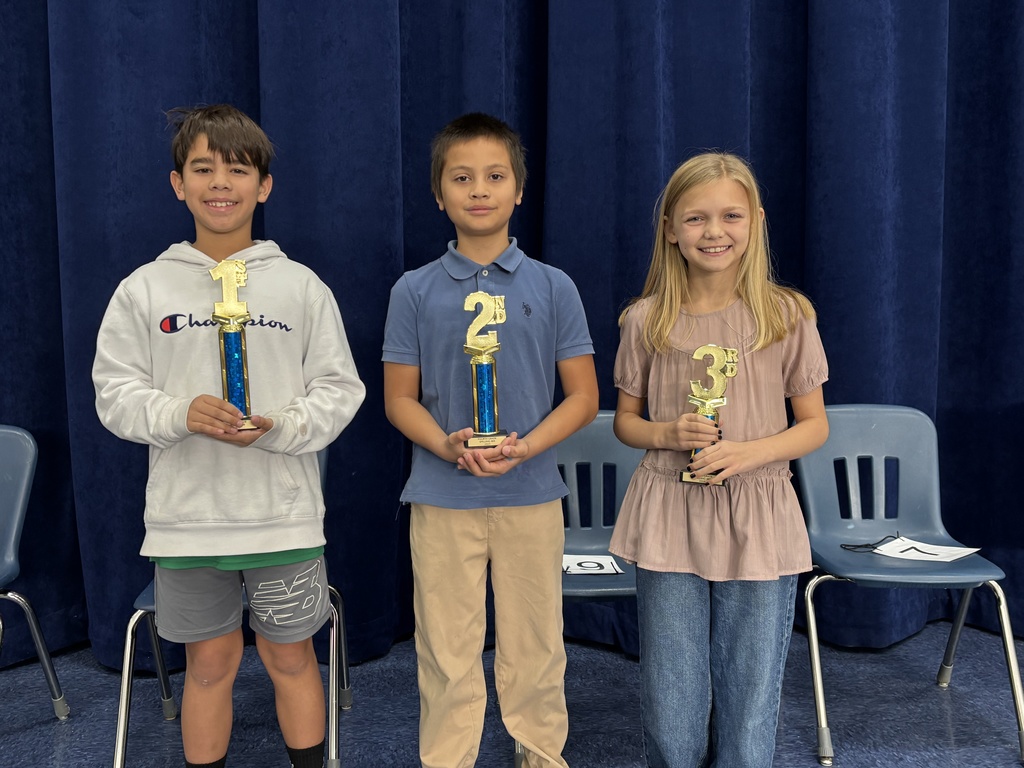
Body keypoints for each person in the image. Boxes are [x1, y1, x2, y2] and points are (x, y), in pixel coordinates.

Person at [92, 104, 366, 768]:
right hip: (189, 523)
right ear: (176, 183)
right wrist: (180, 414)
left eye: (237, 169)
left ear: (264, 186)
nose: (220, 183)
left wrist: (281, 429)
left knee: (290, 656)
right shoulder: (143, 289)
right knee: (208, 665)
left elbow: (340, 390)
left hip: (282, 520)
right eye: (203, 168)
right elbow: (115, 394)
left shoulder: (301, 287)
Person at [382, 112, 599, 768]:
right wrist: (449, 447)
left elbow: (585, 397)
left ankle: (540, 754)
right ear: (439, 193)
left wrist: (528, 447)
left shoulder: (554, 286)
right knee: (447, 649)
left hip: (532, 497)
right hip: (443, 501)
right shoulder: (413, 291)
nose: (479, 189)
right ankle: (448, 758)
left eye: (495, 176)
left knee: (536, 644)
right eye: (462, 177)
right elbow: (399, 399)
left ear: (520, 190)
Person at [610, 152, 829, 768]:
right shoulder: (646, 320)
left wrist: (751, 452)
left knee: (751, 688)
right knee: (671, 689)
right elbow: (626, 424)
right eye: (697, 218)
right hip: (670, 511)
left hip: (758, 512)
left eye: (731, 216)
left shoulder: (787, 315)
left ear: (755, 221)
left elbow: (814, 426)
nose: (715, 232)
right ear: (671, 229)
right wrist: (666, 430)